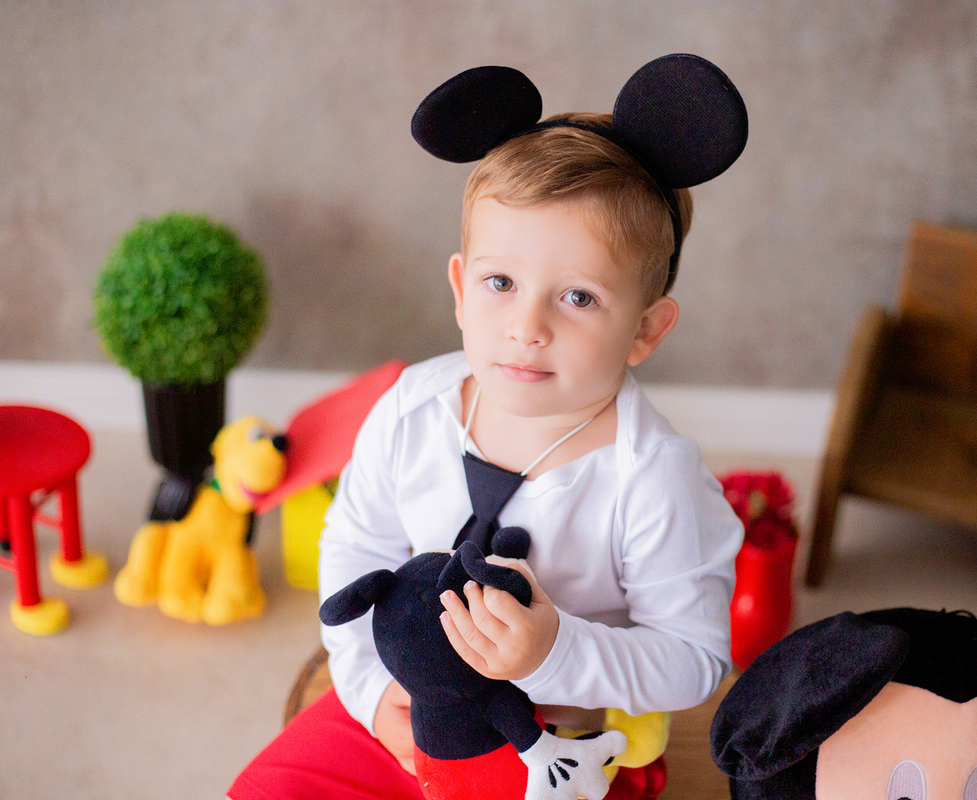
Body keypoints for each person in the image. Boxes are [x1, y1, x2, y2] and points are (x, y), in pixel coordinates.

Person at [229, 56, 747, 800]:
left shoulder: (653, 476)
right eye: (500, 283)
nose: (526, 327)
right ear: (460, 290)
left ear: (646, 329)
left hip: (553, 742)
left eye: (577, 297)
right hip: (406, 700)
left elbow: (693, 658)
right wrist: (375, 692)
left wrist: (554, 651)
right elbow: (355, 547)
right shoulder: (412, 409)